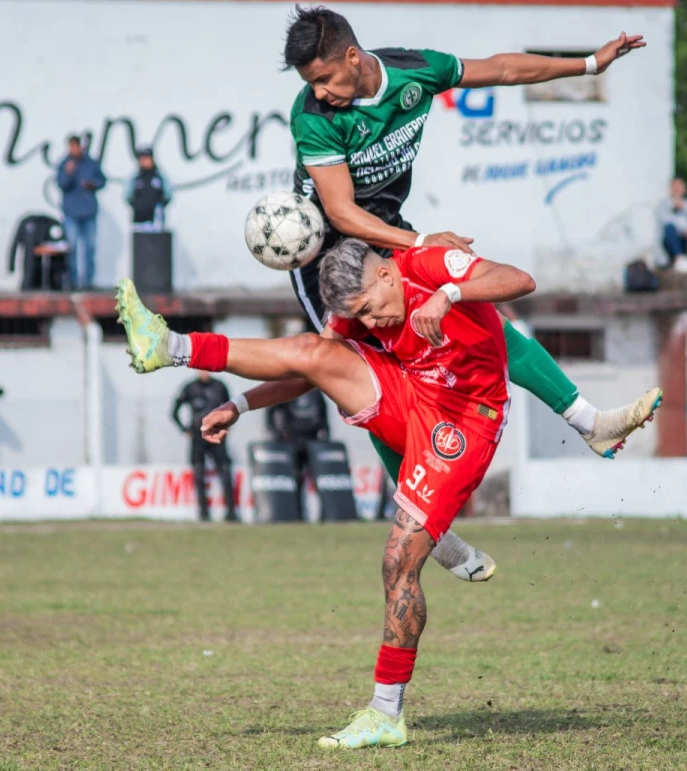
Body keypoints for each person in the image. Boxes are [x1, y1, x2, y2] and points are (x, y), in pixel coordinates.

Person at [115, 238, 533, 747]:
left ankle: (385, 714)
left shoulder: (428, 265)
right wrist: (239, 405)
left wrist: (451, 292)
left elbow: (519, 280)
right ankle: (172, 346)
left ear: (385, 275)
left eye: (370, 309)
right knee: (316, 348)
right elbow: (307, 370)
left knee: (398, 560)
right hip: (409, 396)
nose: (372, 323)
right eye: (360, 317)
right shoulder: (363, 310)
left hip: (466, 420)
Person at [279, 5, 661, 490]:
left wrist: (588, 64)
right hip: (327, 260)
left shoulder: (415, 71)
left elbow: (501, 69)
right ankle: (419, 513)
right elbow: (340, 212)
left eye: (325, 78)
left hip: (390, 233)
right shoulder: (312, 115)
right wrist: (421, 241)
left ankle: (592, 422)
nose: (319, 92)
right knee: (360, 376)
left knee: (481, 320)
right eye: (311, 82)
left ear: (352, 57)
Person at [172, 371, 238, 522]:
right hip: (197, 437)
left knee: (226, 473)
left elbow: (232, 410)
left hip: (216, 436)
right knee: (199, 474)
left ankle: (231, 513)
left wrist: (225, 428)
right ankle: (204, 513)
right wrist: (185, 429)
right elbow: (174, 411)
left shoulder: (220, 386)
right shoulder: (189, 387)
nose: (204, 372)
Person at [267, 386, 331, 520]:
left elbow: (323, 413)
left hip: (313, 441)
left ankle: (325, 515)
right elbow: (271, 411)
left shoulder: (315, 391)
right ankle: (297, 515)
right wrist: (278, 434)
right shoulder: (287, 387)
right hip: (292, 442)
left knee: (320, 479)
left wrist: (325, 434)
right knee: (295, 480)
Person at [56, 135, 107, 290]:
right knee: (72, 248)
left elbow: (102, 180)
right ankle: (72, 282)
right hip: (71, 213)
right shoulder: (64, 164)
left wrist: (93, 184)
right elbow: (61, 184)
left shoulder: (90, 163)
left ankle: (88, 282)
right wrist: (68, 172)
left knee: (89, 248)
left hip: (89, 212)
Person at [125, 146, 171, 232]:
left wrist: (161, 205)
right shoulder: (136, 176)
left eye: (147, 158)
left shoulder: (159, 176)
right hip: (139, 217)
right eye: (142, 159)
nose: (144, 161)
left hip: (156, 218)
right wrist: (136, 205)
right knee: (140, 242)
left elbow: (168, 193)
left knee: (156, 242)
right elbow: (128, 194)